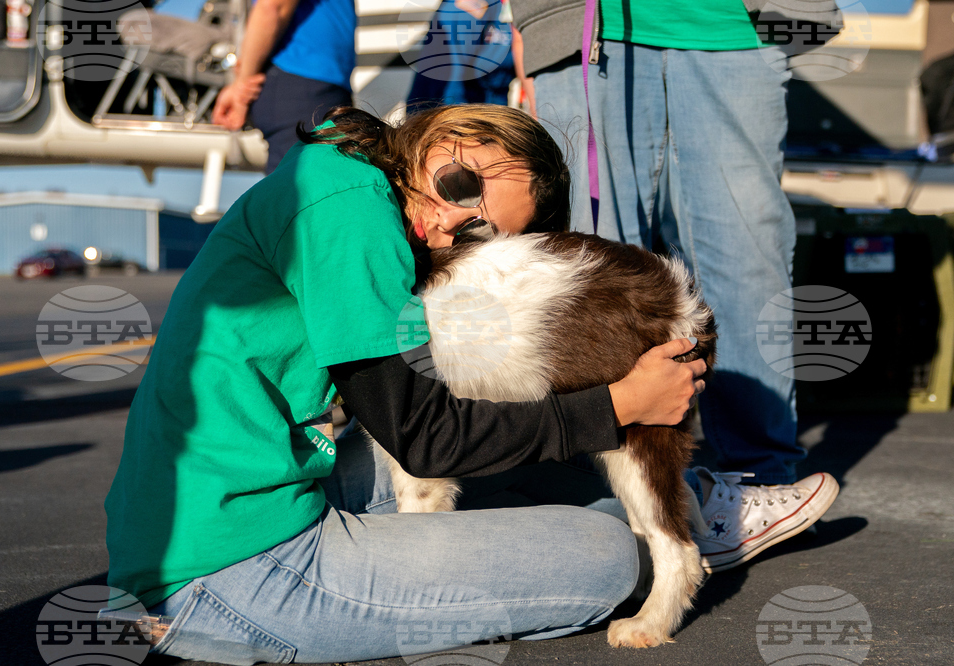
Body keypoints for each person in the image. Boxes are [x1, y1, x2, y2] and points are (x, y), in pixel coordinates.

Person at [105, 103, 711, 664]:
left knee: (557, 482)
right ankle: (694, 531)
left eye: (477, 233)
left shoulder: (339, 172)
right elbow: (422, 440)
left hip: (218, 502)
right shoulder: (349, 214)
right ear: (450, 135)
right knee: (604, 556)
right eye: (461, 185)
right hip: (232, 569)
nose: (449, 221)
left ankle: (693, 515)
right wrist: (621, 404)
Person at [508, 0, 840, 572]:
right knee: (596, 272)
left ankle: (752, 484)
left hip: (734, 24)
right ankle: (613, 496)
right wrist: (530, 31)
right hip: (586, 26)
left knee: (746, 254)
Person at [211, 0, 355, 174]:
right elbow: (272, 7)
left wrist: (240, 83)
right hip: (302, 84)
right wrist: (242, 86)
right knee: (306, 192)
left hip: (313, 85)